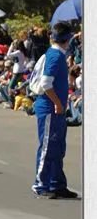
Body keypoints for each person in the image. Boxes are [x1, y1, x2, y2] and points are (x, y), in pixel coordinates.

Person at [31, 21, 77, 199]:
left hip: (54, 108)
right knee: (48, 147)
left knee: (58, 147)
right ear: (67, 38)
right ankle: (42, 184)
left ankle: (57, 184)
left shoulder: (55, 54)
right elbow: (45, 83)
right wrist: (58, 103)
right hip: (50, 107)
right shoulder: (56, 56)